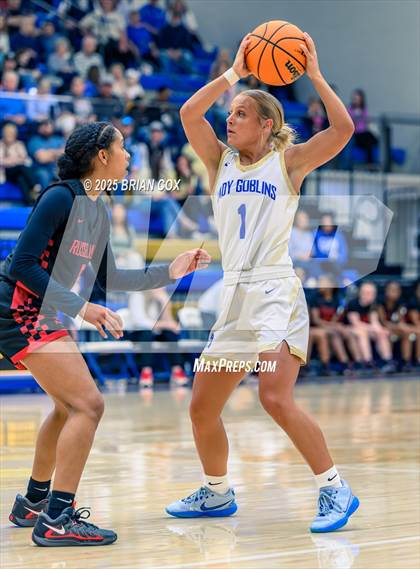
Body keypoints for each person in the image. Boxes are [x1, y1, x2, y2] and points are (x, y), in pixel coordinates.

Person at [164, 33, 360, 532]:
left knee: (274, 396)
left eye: (241, 113)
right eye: (230, 113)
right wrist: (235, 73)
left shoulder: (288, 162)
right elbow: (189, 113)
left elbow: (343, 129)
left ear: (267, 124)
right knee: (202, 408)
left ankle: (334, 487)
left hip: (275, 291)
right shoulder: (219, 161)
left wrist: (314, 75)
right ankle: (216, 493)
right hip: (235, 295)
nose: (229, 119)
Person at [1, 121, 211, 546]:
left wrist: (169, 271)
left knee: (68, 408)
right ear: (101, 156)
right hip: (17, 309)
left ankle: (34, 503)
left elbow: (107, 279)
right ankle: (57, 518)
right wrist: (82, 309)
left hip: (43, 313)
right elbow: (22, 265)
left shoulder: (98, 211)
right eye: (122, 148)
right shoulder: (60, 197)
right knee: (89, 405)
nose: (128, 156)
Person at [344, 282, 396, 373]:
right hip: (349, 328)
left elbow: (374, 322)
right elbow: (356, 323)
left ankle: (387, 361)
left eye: (372, 293)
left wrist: (380, 330)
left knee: (381, 333)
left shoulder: (373, 305)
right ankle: (367, 361)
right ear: (361, 293)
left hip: (366, 328)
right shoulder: (353, 303)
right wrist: (373, 329)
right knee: (362, 332)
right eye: (367, 293)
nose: (370, 295)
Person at [378, 281, 417, 371]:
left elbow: (400, 320)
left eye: (397, 290)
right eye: (392, 290)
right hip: (381, 328)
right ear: (386, 291)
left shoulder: (400, 303)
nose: (395, 292)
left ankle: (406, 362)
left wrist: (402, 326)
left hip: (394, 328)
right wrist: (399, 326)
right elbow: (383, 322)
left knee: (406, 333)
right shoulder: (380, 303)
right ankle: (389, 362)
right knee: (388, 333)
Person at [0, 122, 40, 204]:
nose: (10, 136)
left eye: (12, 134)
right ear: (4, 134)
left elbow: (27, 160)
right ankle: (35, 185)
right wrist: (15, 160)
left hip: (17, 173)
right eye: (8, 133)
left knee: (21, 178)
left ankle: (29, 202)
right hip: (4, 172)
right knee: (21, 167)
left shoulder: (19, 144)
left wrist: (10, 160)